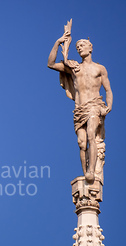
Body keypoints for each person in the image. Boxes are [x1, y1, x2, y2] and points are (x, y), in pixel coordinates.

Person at [48, 32, 113, 183]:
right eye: (77, 47)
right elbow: (50, 64)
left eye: (82, 45)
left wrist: (108, 106)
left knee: (91, 134)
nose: (79, 48)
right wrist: (58, 42)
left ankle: (91, 172)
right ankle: (86, 174)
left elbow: (108, 90)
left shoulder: (99, 68)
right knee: (82, 143)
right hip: (79, 109)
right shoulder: (73, 67)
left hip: (94, 106)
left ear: (90, 47)